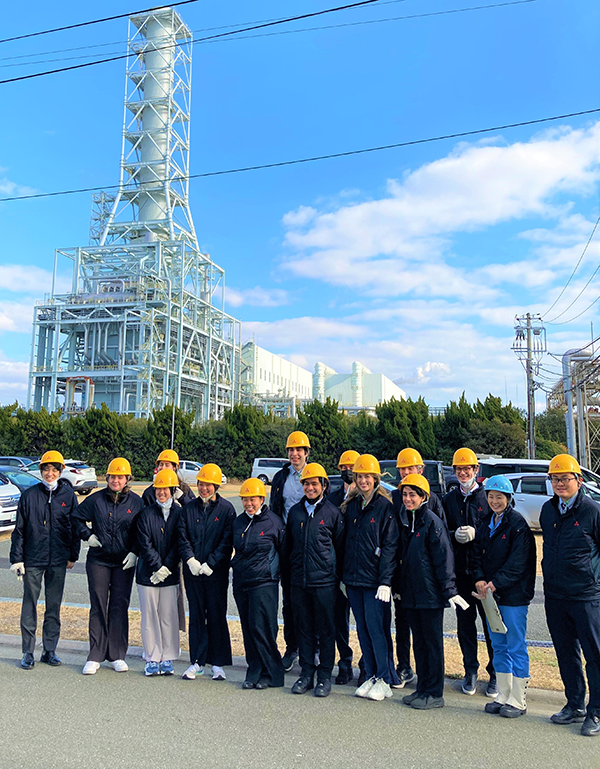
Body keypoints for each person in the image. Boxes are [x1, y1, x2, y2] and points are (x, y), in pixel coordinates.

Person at [541, 453, 600, 737]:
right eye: (555, 478)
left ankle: (596, 711)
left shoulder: (592, 510)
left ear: (578, 480)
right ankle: (574, 703)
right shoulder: (548, 510)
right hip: (555, 595)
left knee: (595, 655)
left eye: (565, 478)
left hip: (586, 596)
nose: (560, 483)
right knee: (566, 653)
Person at [396, 474, 466, 710]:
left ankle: (435, 692)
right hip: (411, 593)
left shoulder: (432, 522)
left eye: (412, 495)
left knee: (432, 644)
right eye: (405, 495)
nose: (407, 499)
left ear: (423, 497)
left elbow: (443, 559)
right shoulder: (406, 520)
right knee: (420, 644)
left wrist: (450, 590)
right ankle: (422, 688)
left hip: (430, 594)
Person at [472, 475, 536, 718]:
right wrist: (479, 578)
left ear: (509, 498)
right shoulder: (486, 522)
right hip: (490, 594)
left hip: (512, 595)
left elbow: (518, 563)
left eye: (499, 497)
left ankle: (518, 699)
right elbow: (476, 554)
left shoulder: (518, 525)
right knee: (498, 644)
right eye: (491, 496)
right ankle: (503, 694)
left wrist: (494, 583)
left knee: (515, 645)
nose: (495, 501)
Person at [9, 450, 80, 669]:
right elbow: (19, 530)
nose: (50, 473)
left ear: (60, 471)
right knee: (29, 604)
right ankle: (28, 652)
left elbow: (74, 528)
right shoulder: (29, 495)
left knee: (53, 605)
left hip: (58, 558)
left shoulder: (68, 496)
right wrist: (17, 559)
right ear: (41, 471)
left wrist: (72, 555)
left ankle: (50, 650)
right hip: (33, 558)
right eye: (46, 469)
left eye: (54, 470)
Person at [73, 457, 143, 675]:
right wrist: (87, 535)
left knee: (119, 606)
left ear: (127, 479)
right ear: (108, 477)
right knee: (98, 605)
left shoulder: (136, 503)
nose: (115, 480)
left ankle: (117, 654)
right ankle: (95, 655)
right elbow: (76, 518)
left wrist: (134, 552)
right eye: (112, 476)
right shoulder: (96, 500)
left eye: (120, 477)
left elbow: (143, 530)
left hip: (124, 562)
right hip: (99, 560)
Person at [342, 454, 400, 701]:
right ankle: (372, 676)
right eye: (359, 476)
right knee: (363, 630)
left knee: (378, 630)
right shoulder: (352, 506)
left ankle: (385, 678)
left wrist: (385, 580)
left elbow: (390, 546)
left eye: (367, 476)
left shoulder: (385, 507)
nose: (363, 480)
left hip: (376, 583)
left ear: (376, 478)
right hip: (354, 580)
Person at [286, 463, 345, 698]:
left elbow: (340, 549)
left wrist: (337, 579)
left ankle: (323, 677)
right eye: (306, 484)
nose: (310, 487)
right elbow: (288, 548)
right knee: (304, 630)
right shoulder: (295, 513)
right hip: (299, 582)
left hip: (325, 583)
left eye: (314, 483)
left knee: (326, 630)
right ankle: (306, 674)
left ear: (323, 486)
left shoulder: (333, 513)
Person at [391, 447, 446, 690]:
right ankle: (408, 671)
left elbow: (442, 548)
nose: (405, 473)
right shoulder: (395, 500)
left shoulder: (432, 507)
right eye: (401, 469)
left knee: (430, 638)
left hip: (428, 583)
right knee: (407, 628)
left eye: (409, 468)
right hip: (405, 579)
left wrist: (447, 587)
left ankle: (433, 689)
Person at [443, 447, 495, 696]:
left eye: (468, 468)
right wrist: (454, 535)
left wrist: (478, 533)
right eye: (459, 469)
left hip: (485, 575)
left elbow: (498, 532)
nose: (464, 473)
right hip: (461, 574)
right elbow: (442, 535)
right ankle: (470, 671)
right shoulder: (449, 499)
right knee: (465, 626)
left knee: (491, 626)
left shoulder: (488, 497)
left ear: (476, 470)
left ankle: (494, 673)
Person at [179, 463, 235, 682]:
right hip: (192, 572)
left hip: (216, 573)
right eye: (201, 484)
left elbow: (226, 540)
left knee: (216, 614)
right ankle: (197, 662)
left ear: (216, 486)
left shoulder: (227, 509)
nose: (204, 488)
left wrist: (211, 563)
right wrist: (190, 560)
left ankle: (218, 663)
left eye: (208, 485)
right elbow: (182, 536)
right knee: (196, 615)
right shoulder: (188, 508)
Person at [232, 478, 286, 690]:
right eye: (245, 499)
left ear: (262, 499)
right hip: (242, 582)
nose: (248, 504)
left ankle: (271, 673)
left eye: (252, 499)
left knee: (262, 628)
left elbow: (284, 552)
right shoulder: (238, 522)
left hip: (264, 583)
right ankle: (253, 669)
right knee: (248, 628)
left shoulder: (274, 522)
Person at [270, 430, 311, 671]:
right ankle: (292, 647)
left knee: (310, 599)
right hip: (287, 545)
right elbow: (276, 509)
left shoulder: (314, 475)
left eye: (299, 450)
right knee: (289, 602)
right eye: (291, 450)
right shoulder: (280, 477)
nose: (294, 454)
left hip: (310, 544)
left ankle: (311, 648)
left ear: (307, 453)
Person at [136, 468, 182, 677]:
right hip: (148, 575)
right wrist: (157, 567)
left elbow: (179, 542)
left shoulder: (181, 513)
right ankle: (152, 658)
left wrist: (167, 568)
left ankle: (168, 656)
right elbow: (144, 544)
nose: (161, 492)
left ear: (173, 490)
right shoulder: (145, 514)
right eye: (158, 489)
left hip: (170, 575)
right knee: (150, 617)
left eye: (165, 489)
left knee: (168, 616)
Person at [328, 449, 359, 685]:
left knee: (366, 622)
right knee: (339, 622)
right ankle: (345, 663)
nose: (348, 472)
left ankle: (368, 667)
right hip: (337, 569)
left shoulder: (370, 498)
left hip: (361, 570)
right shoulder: (331, 498)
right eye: (344, 468)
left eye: (353, 468)